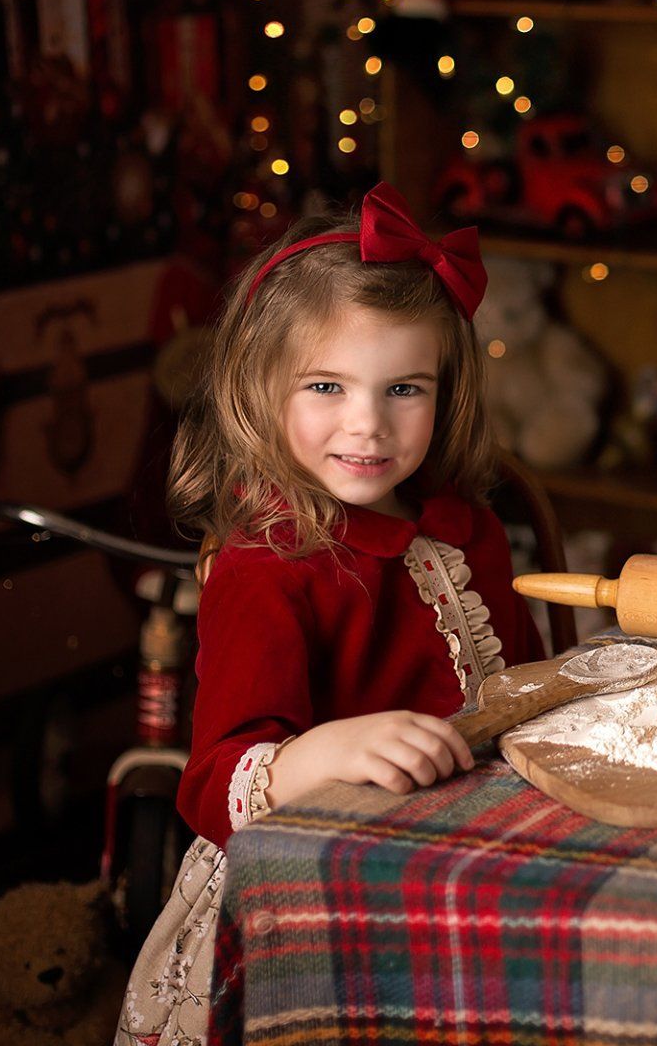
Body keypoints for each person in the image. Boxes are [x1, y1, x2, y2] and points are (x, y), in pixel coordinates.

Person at [119, 184, 543, 1044]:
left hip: (451, 867)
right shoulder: (267, 565)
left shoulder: (469, 531)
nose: (369, 425)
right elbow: (210, 786)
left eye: (404, 389)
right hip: (306, 905)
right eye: (326, 385)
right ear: (258, 386)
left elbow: (523, 695)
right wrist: (322, 751)